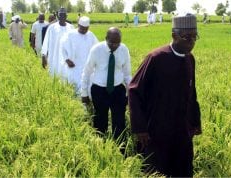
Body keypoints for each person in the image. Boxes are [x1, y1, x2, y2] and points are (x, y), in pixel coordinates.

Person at [128, 14, 202, 177]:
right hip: (156, 131)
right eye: (186, 37)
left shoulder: (190, 59)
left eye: (194, 36)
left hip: (182, 130)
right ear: (174, 35)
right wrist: (140, 128)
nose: (191, 42)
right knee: (156, 170)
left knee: (183, 169)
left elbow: (192, 91)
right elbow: (134, 90)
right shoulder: (155, 58)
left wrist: (195, 121)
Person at [81, 27, 131, 140]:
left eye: (117, 43)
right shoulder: (96, 50)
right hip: (99, 90)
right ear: (106, 39)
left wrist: (130, 92)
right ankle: (101, 146)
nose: (115, 46)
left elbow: (127, 73)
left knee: (119, 121)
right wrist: (84, 93)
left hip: (118, 89)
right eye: (112, 43)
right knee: (100, 120)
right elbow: (87, 71)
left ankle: (120, 148)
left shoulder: (123, 49)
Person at [60, 16, 98, 93]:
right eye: (82, 28)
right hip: (74, 65)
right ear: (78, 25)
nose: (84, 30)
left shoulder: (91, 35)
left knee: (87, 84)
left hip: (87, 65)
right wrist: (66, 60)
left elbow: (97, 48)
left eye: (86, 28)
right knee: (74, 85)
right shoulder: (70, 34)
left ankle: (86, 99)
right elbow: (62, 47)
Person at [41, 8, 74, 76]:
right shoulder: (51, 28)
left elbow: (74, 43)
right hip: (54, 56)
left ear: (66, 16)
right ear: (57, 16)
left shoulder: (71, 27)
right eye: (60, 15)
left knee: (66, 76)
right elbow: (46, 42)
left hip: (67, 57)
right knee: (54, 75)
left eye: (64, 15)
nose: (62, 17)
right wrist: (44, 57)